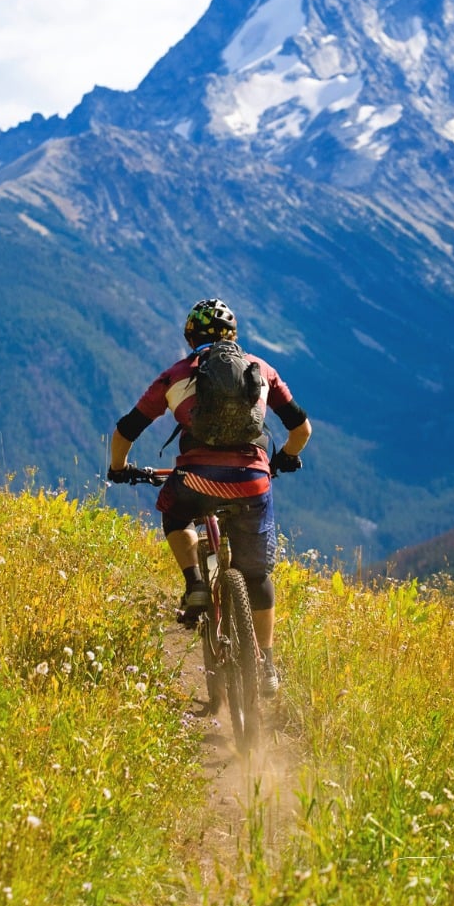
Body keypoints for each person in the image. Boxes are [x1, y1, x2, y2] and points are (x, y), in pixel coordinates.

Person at [107, 298, 311, 697]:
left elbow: (126, 429)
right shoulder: (261, 370)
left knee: (176, 514)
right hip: (253, 481)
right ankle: (266, 663)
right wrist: (284, 459)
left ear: (189, 337)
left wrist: (120, 467)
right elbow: (301, 429)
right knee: (258, 577)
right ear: (234, 337)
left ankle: (196, 583)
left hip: (196, 480)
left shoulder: (176, 376)